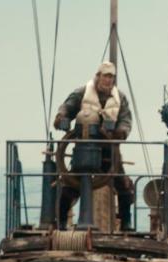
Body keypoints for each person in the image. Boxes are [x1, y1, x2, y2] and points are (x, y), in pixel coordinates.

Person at [53, 62, 135, 230]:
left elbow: (125, 120)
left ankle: (126, 222)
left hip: (109, 151)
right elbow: (67, 107)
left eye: (111, 77)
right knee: (70, 185)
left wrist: (120, 132)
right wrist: (61, 117)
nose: (108, 80)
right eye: (105, 76)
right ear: (98, 76)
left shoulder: (120, 98)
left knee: (124, 185)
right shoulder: (82, 93)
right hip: (84, 149)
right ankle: (60, 222)